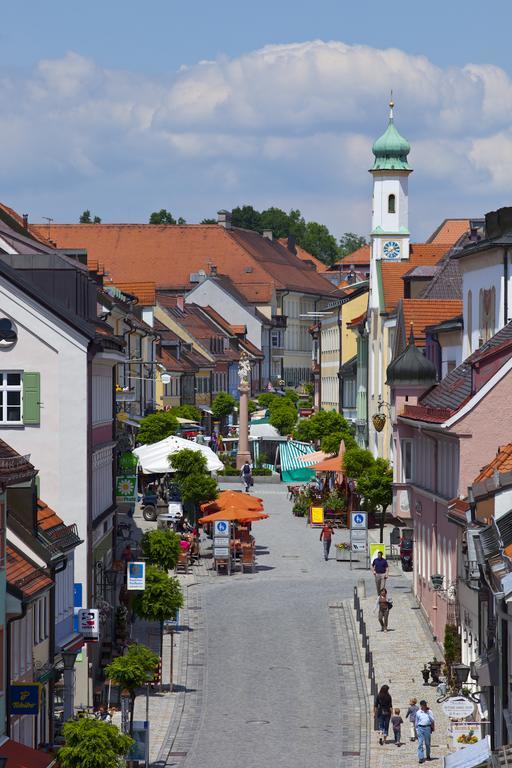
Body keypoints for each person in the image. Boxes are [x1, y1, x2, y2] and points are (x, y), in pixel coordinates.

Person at [415, 699, 435, 764]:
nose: (426, 706)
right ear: (421, 705)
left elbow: (432, 720)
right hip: (420, 727)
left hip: (427, 728)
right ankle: (421, 757)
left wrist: (428, 713)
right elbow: (416, 721)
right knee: (420, 743)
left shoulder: (430, 711)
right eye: (424, 705)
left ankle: (428, 755)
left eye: (426, 704)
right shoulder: (418, 712)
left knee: (427, 743)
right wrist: (417, 730)